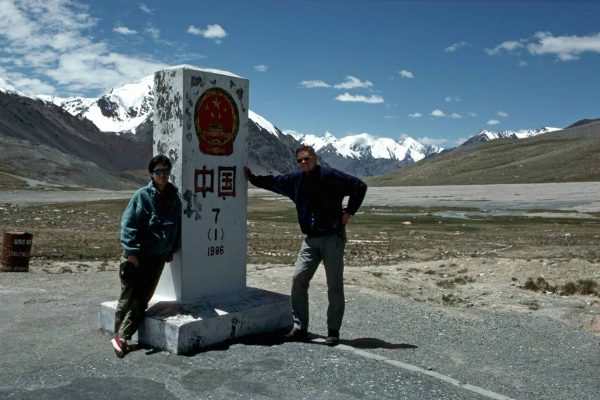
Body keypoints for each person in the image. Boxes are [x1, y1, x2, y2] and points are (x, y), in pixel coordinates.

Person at [245, 145, 367, 346]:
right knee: (298, 278)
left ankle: (333, 331)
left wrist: (348, 213)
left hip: (332, 237)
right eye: (300, 160)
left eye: (307, 158)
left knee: (334, 284)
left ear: (315, 158)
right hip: (310, 239)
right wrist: (253, 179)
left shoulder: (331, 175)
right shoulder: (295, 180)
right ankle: (300, 327)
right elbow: (274, 182)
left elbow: (359, 186)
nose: (303, 162)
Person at [111, 154, 181, 358]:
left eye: (166, 171)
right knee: (128, 297)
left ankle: (122, 337)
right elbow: (128, 224)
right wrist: (131, 252)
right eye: (158, 171)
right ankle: (118, 335)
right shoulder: (142, 196)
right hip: (137, 257)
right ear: (151, 173)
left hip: (157, 258)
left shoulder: (174, 197)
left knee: (142, 299)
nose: (163, 175)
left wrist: (170, 249)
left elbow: (175, 226)